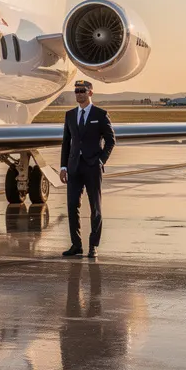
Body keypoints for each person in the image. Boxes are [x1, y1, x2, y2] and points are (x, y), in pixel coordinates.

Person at [60, 81, 115, 258]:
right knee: (72, 206)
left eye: (82, 91)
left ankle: (93, 246)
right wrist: (63, 166)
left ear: (90, 93)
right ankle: (76, 245)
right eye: (76, 91)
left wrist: (101, 161)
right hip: (74, 167)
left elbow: (111, 140)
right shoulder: (70, 115)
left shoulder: (100, 114)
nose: (79, 94)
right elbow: (66, 143)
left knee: (95, 208)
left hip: (92, 167)